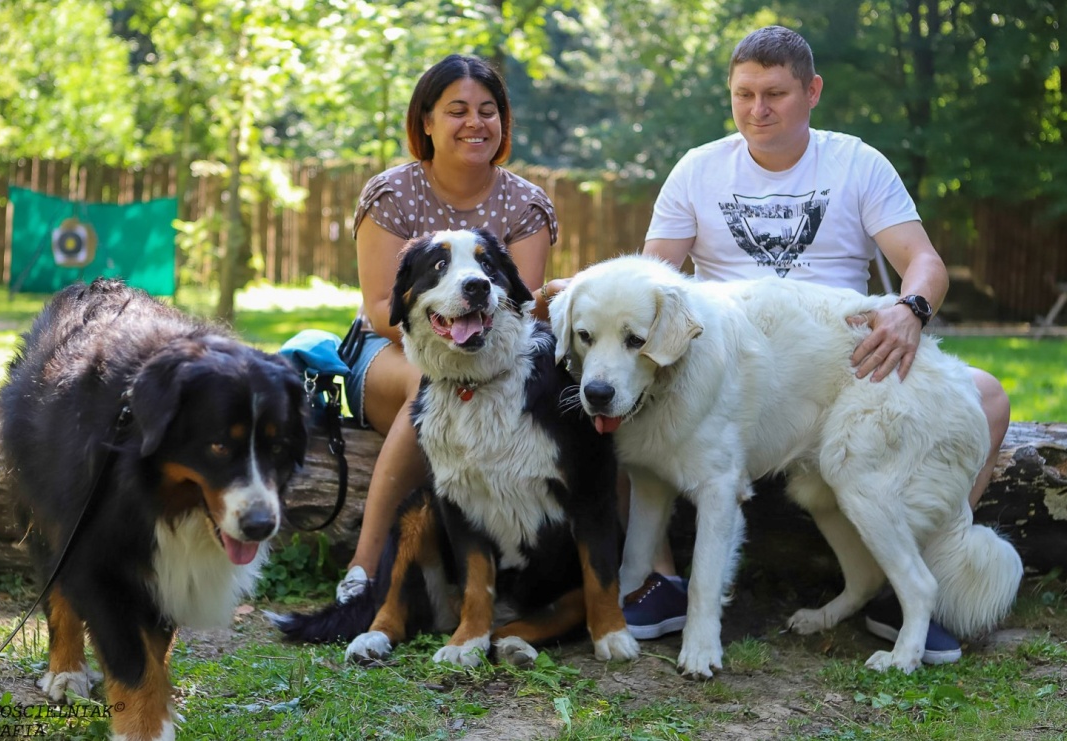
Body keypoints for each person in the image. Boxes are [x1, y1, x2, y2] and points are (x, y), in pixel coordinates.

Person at [629, 25, 1010, 664]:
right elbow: (650, 281)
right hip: (733, 371)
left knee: (989, 397)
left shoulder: (856, 162)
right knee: (618, 391)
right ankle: (658, 581)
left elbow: (924, 261)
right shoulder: (698, 169)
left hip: (838, 362)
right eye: (743, 94)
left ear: (812, 91)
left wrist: (910, 312)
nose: (758, 110)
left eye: (775, 93)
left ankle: (906, 583)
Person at [337, 54, 560, 603]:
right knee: (429, 387)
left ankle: (562, 572)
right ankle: (363, 572)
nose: (475, 123)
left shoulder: (527, 205)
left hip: (495, 358)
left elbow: (519, 307)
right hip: (394, 347)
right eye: (457, 110)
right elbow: (378, 305)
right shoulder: (392, 193)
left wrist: (473, 348)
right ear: (427, 120)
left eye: (488, 110)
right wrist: (442, 342)